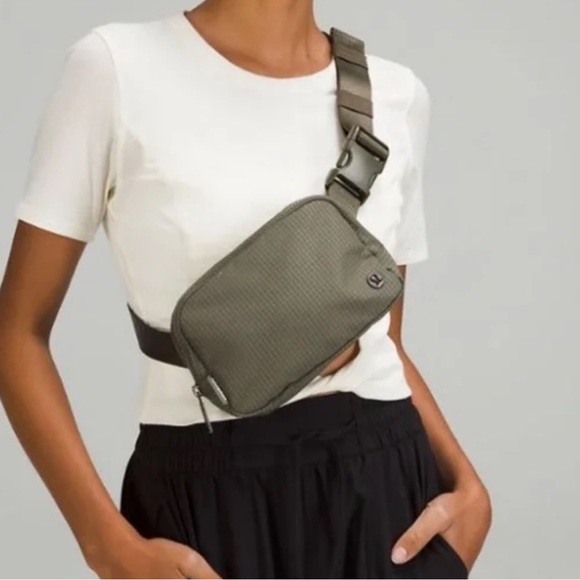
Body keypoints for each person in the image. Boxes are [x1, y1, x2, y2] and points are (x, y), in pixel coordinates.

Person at [0, 1, 491, 578]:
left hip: (385, 491)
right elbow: (16, 333)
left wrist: (469, 489)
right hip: (208, 491)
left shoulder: (396, 95)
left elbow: (384, 341)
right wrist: (105, 545)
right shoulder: (114, 69)